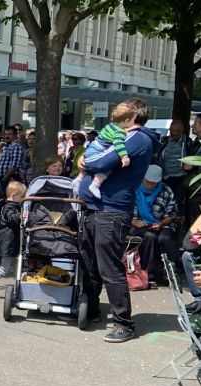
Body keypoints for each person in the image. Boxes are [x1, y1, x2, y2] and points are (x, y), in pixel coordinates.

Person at [77, 97, 159, 343]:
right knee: (91, 263)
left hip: (111, 210)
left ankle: (124, 323)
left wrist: (84, 160)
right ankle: (91, 310)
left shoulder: (138, 138)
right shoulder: (125, 135)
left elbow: (101, 161)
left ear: (132, 116)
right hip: (97, 207)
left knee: (109, 268)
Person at [129, 165, 179, 287]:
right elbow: (123, 211)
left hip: (161, 224)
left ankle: (169, 273)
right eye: (148, 182)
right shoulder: (133, 188)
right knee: (149, 237)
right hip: (137, 224)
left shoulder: (166, 190)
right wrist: (134, 221)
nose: (150, 185)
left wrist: (161, 223)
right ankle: (148, 274)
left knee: (165, 239)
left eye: (153, 183)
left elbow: (172, 214)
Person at [77, 104, 136, 199]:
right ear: (127, 121)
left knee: (85, 166)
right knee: (107, 168)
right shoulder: (120, 132)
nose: (134, 122)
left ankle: (79, 178)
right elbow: (118, 144)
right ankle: (95, 184)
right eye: (133, 120)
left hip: (92, 148)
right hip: (98, 151)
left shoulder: (110, 126)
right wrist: (124, 156)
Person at [156, 119, 192, 217]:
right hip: (166, 176)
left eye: (177, 131)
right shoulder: (164, 141)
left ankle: (175, 222)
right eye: (172, 130)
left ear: (182, 131)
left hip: (181, 177)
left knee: (177, 201)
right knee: (163, 201)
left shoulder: (188, 142)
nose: (174, 133)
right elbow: (157, 156)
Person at [0, 126, 26, 190]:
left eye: (9, 134)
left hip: (10, 179)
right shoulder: (7, 146)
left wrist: (4, 179)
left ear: (15, 136)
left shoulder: (16, 147)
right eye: (5, 134)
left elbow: (14, 166)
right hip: (2, 179)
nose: (6, 136)